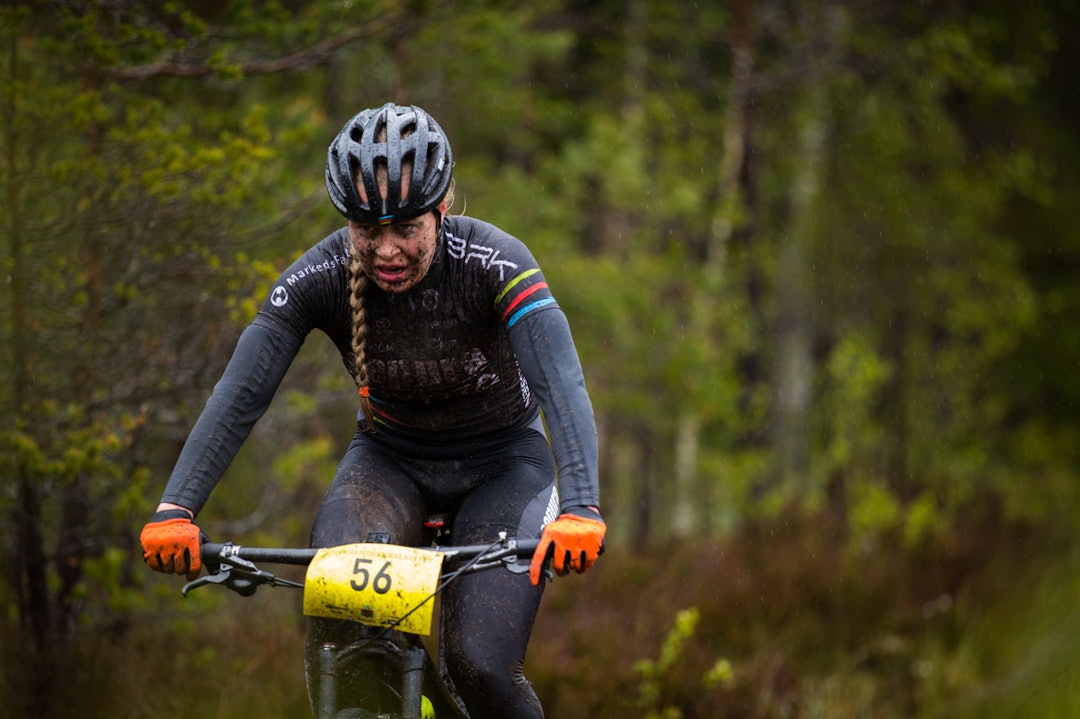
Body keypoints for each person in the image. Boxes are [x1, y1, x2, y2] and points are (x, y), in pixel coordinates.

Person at [139, 102, 606, 718]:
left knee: (479, 665)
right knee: (345, 637)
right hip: (388, 466)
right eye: (367, 230)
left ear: (440, 210)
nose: (386, 250)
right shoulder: (321, 274)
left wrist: (580, 507)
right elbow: (239, 394)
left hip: (504, 467)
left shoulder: (496, 262)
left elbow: (561, 382)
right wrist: (177, 507)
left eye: (406, 228)